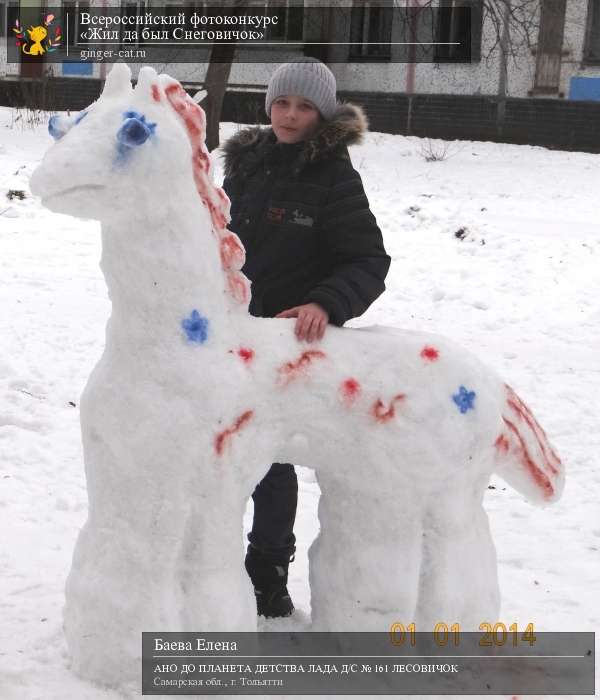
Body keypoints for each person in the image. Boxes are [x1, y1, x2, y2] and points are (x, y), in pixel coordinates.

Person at [221, 58, 391, 618]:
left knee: (271, 460)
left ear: (322, 114)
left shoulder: (334, 176)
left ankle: (267, 570)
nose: (290, 115)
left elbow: (368, 259)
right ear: (268, 105)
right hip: (229, 335)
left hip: (286, 347)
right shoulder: (245, 165)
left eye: (304, 107)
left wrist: (326, 302)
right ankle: (210, 565)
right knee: (219, 453)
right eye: (282, 103)